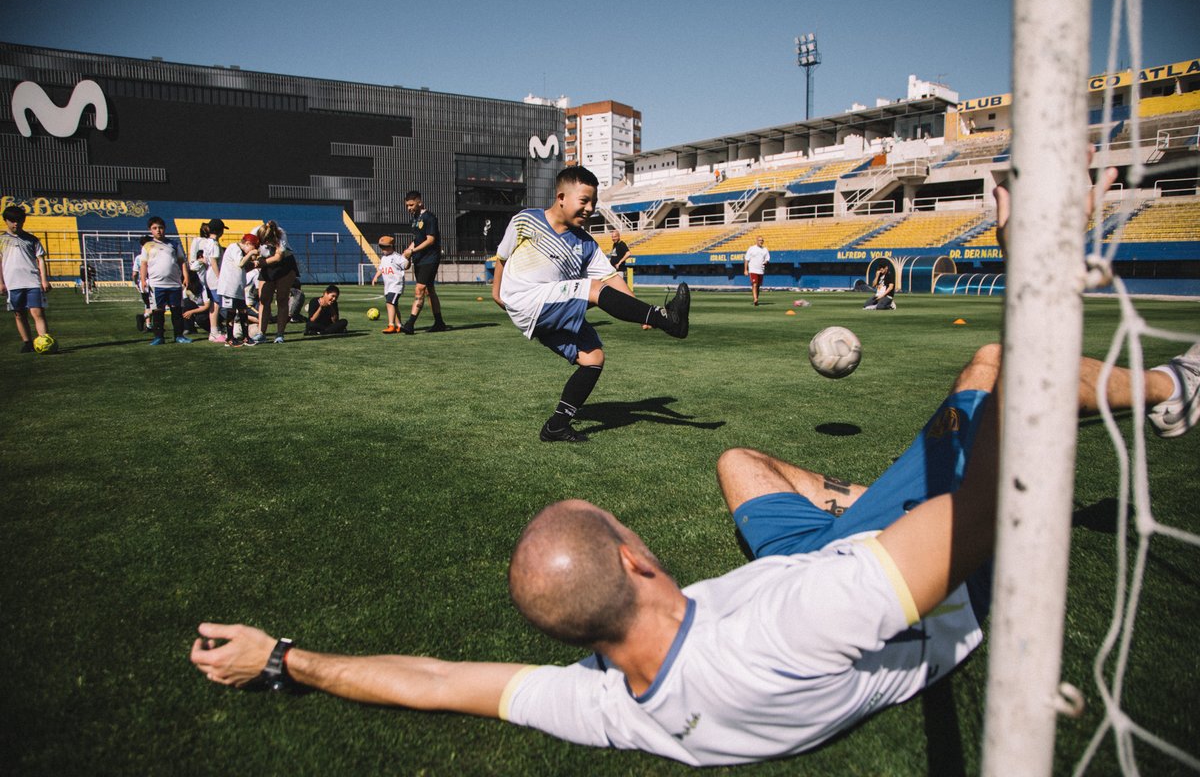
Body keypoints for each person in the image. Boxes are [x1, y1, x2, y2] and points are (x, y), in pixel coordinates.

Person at [189, 341, 1200, 766]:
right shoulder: (803, 622)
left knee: (736, 459)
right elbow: (1001, 496)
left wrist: (286, 658)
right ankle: (1172, 388)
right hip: (893, 578)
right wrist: (1044, 269)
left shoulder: (607, 703)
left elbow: (440, 679)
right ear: (636, 561)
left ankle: (841, 492)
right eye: (626, 525)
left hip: (816, 551)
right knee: (998, 368)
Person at [491, 166, 691, 443]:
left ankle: (557, 426)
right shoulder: (527, 220)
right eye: (584, 200)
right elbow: (502, 256)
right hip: (526, 299)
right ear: (561, 197)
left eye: (594, 202)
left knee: (593, 358)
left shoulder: (586, 243)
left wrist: (640, 312)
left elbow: (611, 278)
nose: (590, 208)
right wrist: (496, 292)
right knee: (593, 289)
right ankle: (668, 320)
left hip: (552, 304)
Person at [0, 204, 53, 353]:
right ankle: (28, 343)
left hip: (32, 281)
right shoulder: (1, 240)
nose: (16, 223)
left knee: (37, 312)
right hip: (12, 283)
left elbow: (40, 260)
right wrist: (1, 283)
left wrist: (44, 280)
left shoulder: (32, 239)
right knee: (19, 314)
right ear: (6, 221)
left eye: (19, 220)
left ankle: (45, 341)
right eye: (12, 220)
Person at [398, 191, 447, 334]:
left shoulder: (429, 217)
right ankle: (439, 323)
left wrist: (412, 251)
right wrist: (408, 250)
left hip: (430, 258)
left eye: (411, 205)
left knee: (419, 289)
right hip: (419, 259)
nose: (409, 208)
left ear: (419, 202)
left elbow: (430, 239)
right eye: (407, 205)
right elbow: (417, 239)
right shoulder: (414, 218)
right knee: (429, 290)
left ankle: (410, 324)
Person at [139, 216, 191, 345]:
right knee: (158, 311)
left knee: (176, 310)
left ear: (165, 229)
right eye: (155, 228)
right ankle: (159, 337)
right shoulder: (147, 246)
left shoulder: (174, 244)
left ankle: (179, 336)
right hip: (157, 285)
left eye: (160, 228)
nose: (158, 230)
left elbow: (182, 262)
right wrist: (143, 280)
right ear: (150, 230)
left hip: (174, 284)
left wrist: (186, 276)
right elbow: (144, 264)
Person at [252, 221, 299, 344]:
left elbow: (279, 257)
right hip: (266, 266)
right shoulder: (254, 232)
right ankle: (261, 333)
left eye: (267, 241)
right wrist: (254, 259)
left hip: (284, 266)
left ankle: (280, 334)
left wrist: (261, 263)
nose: (266, 244)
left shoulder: (281, 233)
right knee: (264, 300)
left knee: (282, 299)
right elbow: (250, 249)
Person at [217, 233, 260, 348]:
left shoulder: (239, 251)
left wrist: (253, 263)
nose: (253, 250)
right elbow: (240, 263)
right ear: (248, 243)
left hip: (238, 288)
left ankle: (246, 337)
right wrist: (251, 253)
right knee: (231, 312)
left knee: (243, 312)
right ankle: (229, 338)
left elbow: (243, 266)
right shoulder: (234, 247)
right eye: (253, 247)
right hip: (229, 287)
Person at [371, 236, 410, 333]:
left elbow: (406, 265)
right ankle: (399, 326)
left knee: (389, 303)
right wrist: (376, 277)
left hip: (396, 285)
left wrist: (408, 258)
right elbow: (381, 268)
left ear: (391, 246)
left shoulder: (397, 257)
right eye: (381, 247)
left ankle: (391, 325)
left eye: (385, 247)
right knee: (394, 306)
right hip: (388, 287)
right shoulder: (384, 258)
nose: (383, 249)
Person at [743, 236, 769, 306]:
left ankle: (756, 298)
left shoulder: (765, 249)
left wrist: (766, 262)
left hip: (761, 270)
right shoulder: (751, 248)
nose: (761, 241)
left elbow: (767, 259)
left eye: (762, 240)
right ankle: (755, 299)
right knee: (754, 284)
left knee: (758, 286)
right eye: (760, 240)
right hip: (753, 269)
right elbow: (746, 259)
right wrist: (745, 270)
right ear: (756, 241)